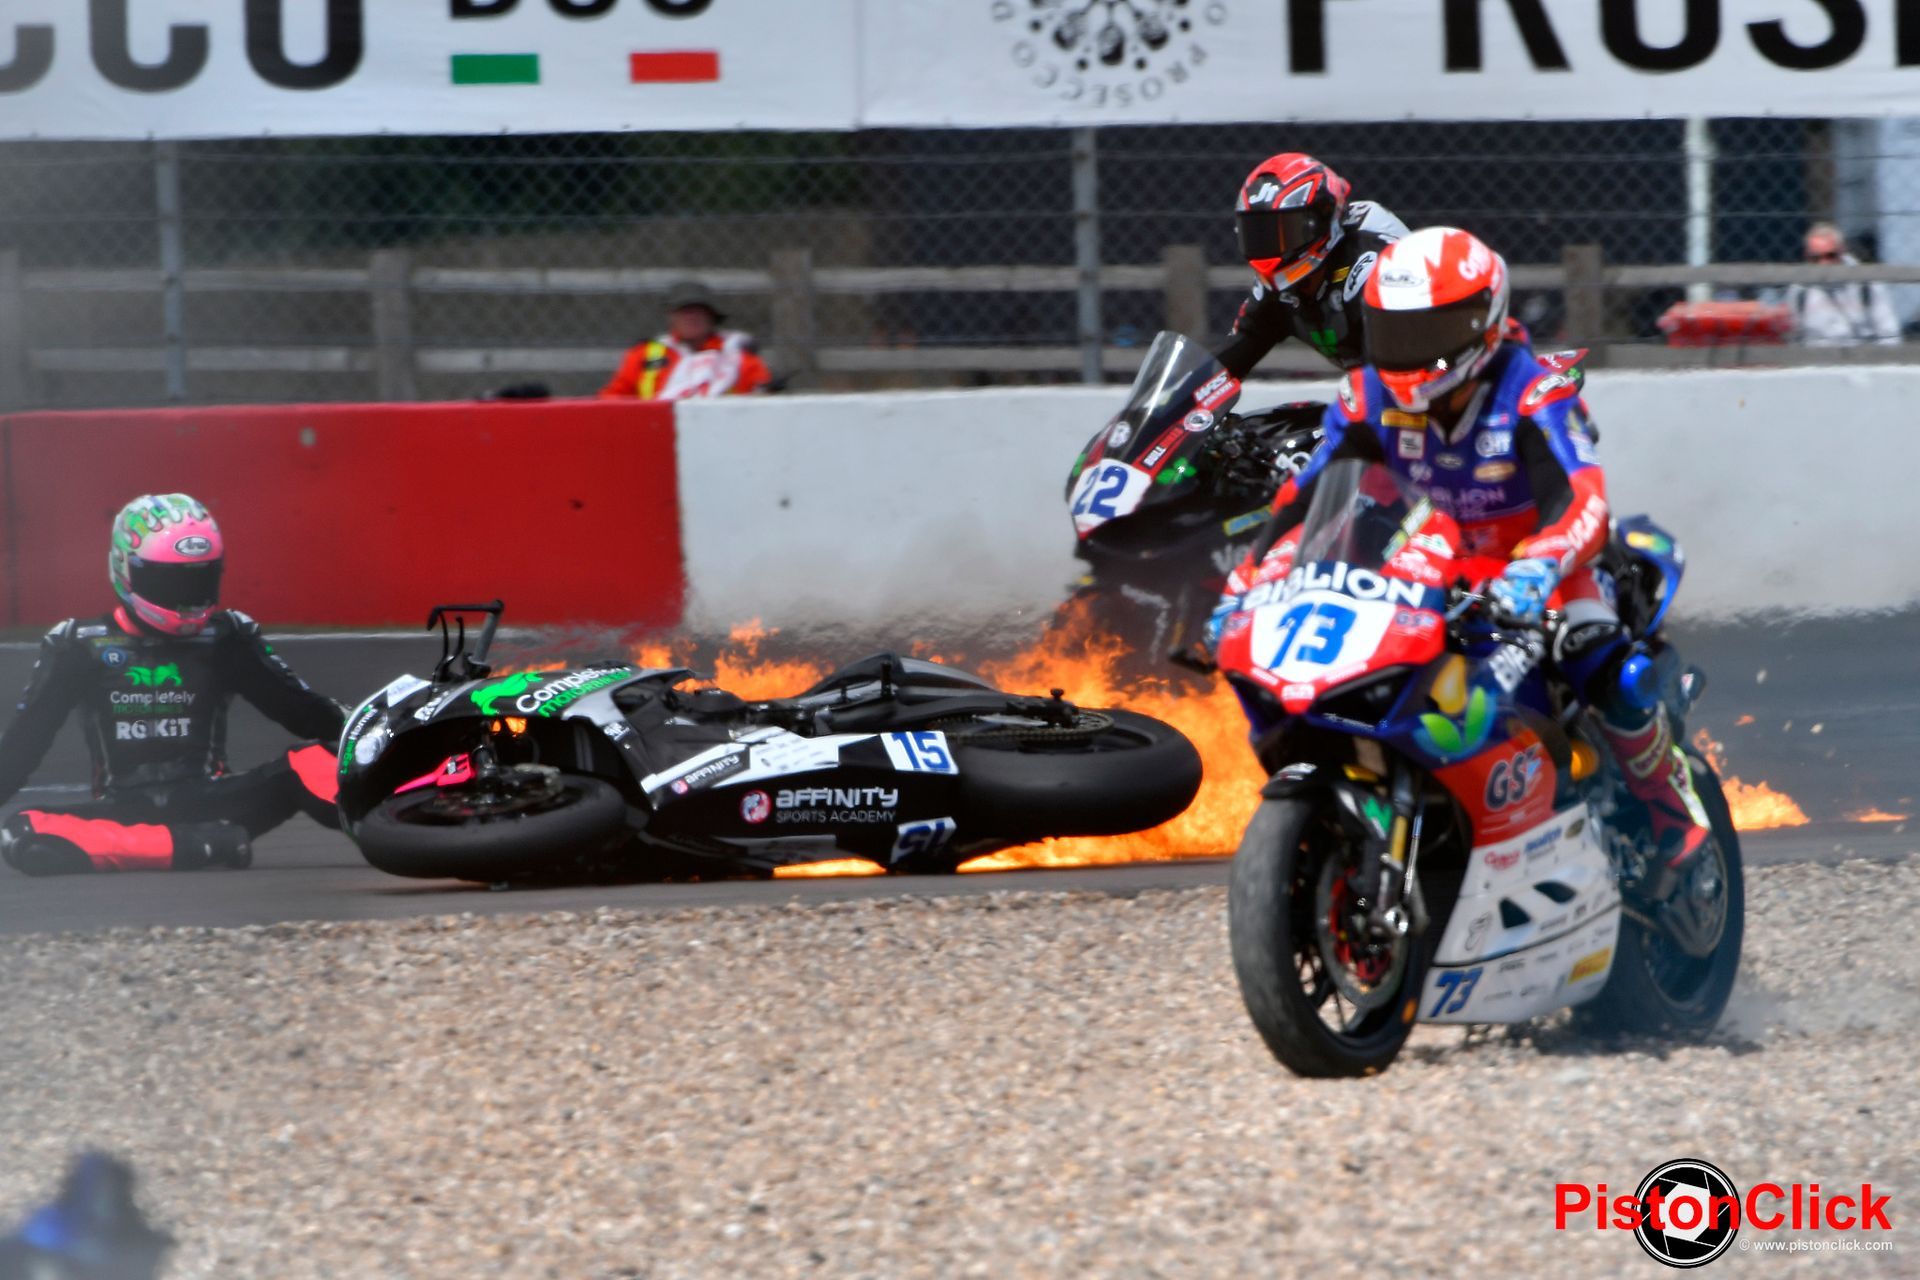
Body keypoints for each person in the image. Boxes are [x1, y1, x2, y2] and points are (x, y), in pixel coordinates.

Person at [1215, 226, 1711, 891]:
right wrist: (1249, 578)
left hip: (1548, 567)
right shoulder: (1368, 396)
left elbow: (1583, 502)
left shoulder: (1533, 393)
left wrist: (1538, 567)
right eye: (1393, 331)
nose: (1407, 352)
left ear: (1482, 323)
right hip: (1432, 565)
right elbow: (1308, 501)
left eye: (1427, 331)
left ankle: (1675, 816)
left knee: (1602, 659)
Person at [0, 494, 347, 875]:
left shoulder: (226, 637)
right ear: (125, 569)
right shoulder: (78, 644)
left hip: (214, 803)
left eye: (199, 580)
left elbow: (303, 711)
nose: (186, 597)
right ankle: (198, 846)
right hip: (123, 812)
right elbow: (24, 743)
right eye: (169, 581)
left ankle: (408, 824)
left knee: (316, 760)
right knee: (22, 829)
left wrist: (373, 732)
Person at [1215, 153, 1411, 377]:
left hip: (1442, 365)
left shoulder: (1368, 265)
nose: (1270, 250)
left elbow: (1392, 372)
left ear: (1321, 218)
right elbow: (1233, 354)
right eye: (1259, 235)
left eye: (1285, 232)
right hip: (1387, 391)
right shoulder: (1278, 291)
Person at [600, 281, 773, 400]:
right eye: (684, 311)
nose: (691, 317)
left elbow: (761, 402)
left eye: (699, 311)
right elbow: (612, 401)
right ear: (671, 317)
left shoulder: (737, 355)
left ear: (712, 317)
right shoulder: (643, 355)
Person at [1786, 222, 1901, 346]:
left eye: (1830, 256)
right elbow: (1794, 335)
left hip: (1861, 359)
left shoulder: (1866, 284)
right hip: (1816, 361)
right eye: (1816, 258)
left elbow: (1889, 333)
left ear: (1842, 251)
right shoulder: (1801, 290)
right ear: (1807, 256)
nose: (1824, 264)